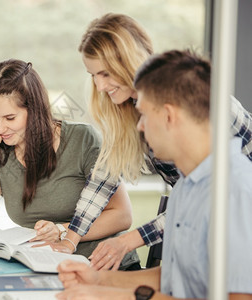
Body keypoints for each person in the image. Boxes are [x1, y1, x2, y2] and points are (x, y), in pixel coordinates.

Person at [59, 13, 252, 271]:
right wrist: (70, 240)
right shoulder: (128, 108)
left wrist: (129, 240)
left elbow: (210, 199)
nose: (100, 86)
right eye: (93, 75)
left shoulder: (202, 103)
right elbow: (104, 177)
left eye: (105, 74)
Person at [0, 58, 140, 269]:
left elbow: (122, 215)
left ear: (34, 111)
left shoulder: (82, 140)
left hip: (102, 265)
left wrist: (62, 230)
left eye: (10, 118)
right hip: (44, 267)